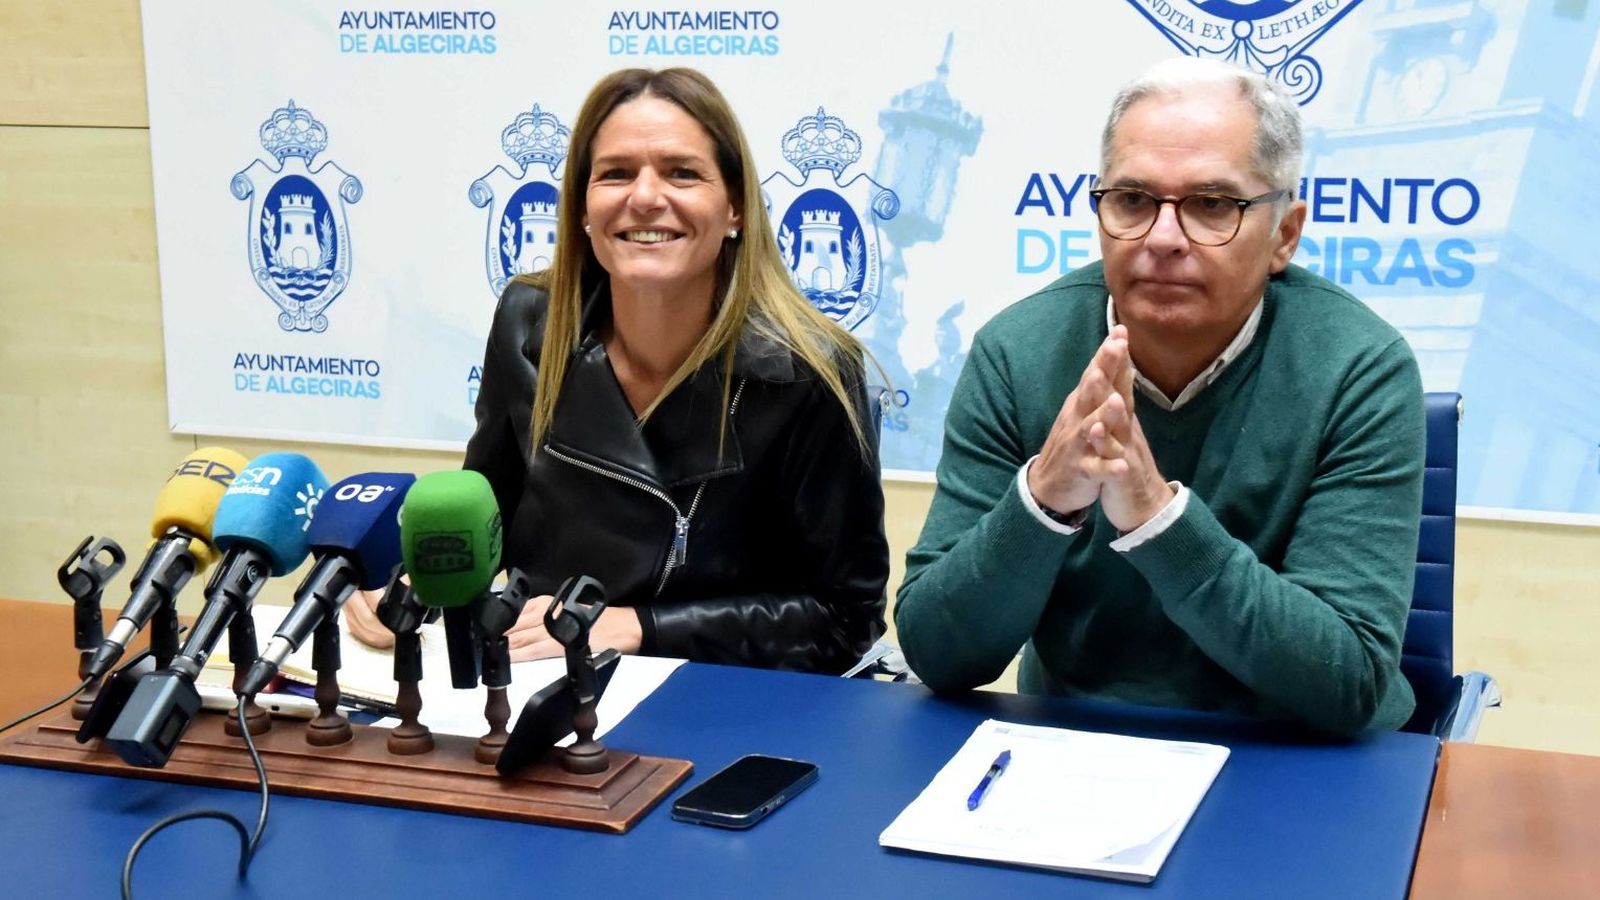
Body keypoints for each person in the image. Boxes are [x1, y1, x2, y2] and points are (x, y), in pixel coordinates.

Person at [894, 56, 1425, 737]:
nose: (1163, 238)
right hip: (1074, 749)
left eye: (1212, 206)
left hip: (1293, 758)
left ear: (1284, 236)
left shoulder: (1359, 368)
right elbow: (939, 653)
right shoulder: (1017, 352)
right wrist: (1043, 502)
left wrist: (1156, 518)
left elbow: (1344, 680)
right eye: (1133, 201)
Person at [347, 68, 888, 673]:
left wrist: (636, 627)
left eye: (682, 172)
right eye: (616, 173)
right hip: (536, 684)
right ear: (582, 207)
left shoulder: (813, 368)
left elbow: (846, 618)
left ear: (735, 206)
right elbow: (483, 515)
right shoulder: (529, 319)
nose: (646, 196)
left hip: (718, 699)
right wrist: (408, 585)